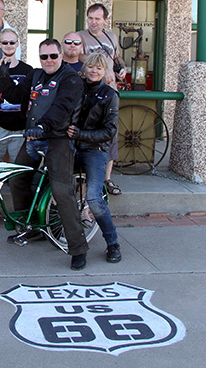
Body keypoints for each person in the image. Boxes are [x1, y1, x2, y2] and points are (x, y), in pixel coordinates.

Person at [0, 38, 88, 270]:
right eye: (44, 56)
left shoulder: (70, 79)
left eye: (53, 56)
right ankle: (30, 229)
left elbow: (62, 108)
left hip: (58, 139)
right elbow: (16, 97)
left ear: (61, 56)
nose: (48, 60)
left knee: (61, 190)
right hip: (34, 138)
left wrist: (43, 126)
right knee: (17, 178)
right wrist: (4, 77)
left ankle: (78, 248)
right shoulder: (35, 75)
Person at [67, 51, 122, 263]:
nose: (94, 71)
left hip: (94, 149)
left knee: (94, 199)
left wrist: (82, 135)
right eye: (91, 66)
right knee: (54, 185)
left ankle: (113, 243)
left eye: (99, 68)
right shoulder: (76, 88)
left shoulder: (110, 95)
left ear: (104, 70)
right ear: (85, 67)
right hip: (72, 145)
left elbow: (109, 131)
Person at [79, 3, 126, 196]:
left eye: (97, 19)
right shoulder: (81, 37)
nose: (93, 22)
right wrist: (101, 68)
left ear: (105, 20)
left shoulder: (111, 37)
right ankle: (86, 178)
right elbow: (77, 55)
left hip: (110, 91)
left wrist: (122, 68)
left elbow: (117, 57)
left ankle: (107, 178)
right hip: (89, 93)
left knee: (110, 135)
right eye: (90, 18)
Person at [0, 27, 32, 163]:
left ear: (17, 44)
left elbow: (30, 97)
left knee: (19, 168)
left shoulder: (27, 70)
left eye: (12, 42)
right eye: (5, 42)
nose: (8, 45)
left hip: (20, 127)